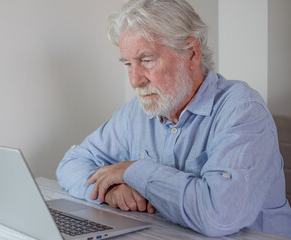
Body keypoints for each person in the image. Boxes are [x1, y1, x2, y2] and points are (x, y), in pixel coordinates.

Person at [56, 0, 291, 237]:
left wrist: (133, 171)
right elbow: (71, 164)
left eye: (146, 61)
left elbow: (219, 216)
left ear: (191, 53)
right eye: (128, 64)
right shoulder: (136, 112)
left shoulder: (242, 110)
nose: (135, 80)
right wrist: (110, 190)